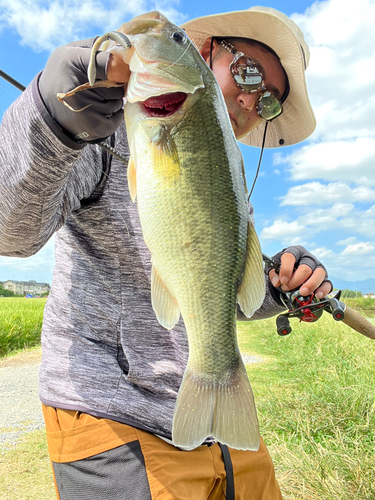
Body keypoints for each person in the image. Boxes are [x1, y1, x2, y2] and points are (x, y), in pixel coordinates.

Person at [0, 6, 332, 500]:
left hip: (221, 428)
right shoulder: (99, 124)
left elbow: (220, 293)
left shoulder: (230, 177)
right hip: (116, 419)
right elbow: (12, 232)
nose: (250, 96)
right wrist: (51, 117)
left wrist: (285, 286)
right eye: (248, 71)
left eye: (268, 102)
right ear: (203, 53)